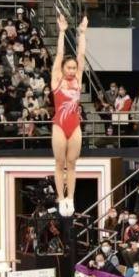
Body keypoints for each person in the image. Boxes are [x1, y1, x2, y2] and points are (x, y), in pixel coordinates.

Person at [52, 14, 88, 216]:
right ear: (63, 69)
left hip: (74, 125)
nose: (73, 70)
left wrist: (82, 34)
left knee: (72, 163)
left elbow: (81, 56)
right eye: (70, 67)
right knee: (60, 163)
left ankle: (70, 198)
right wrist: (62, 32)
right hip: (59, 125)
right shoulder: (57, 80)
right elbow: (59, 55)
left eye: (74, 68)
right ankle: (61, 198)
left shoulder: (78, 79)